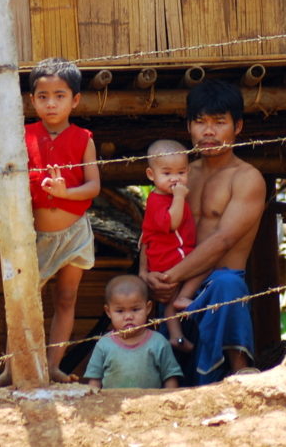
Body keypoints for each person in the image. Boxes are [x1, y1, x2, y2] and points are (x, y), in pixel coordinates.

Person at [0, 57, 101, 388]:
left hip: (75, 232)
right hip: (35, 237)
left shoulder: (83, 138)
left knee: (65, 299)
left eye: (60, 96)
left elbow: (94, 186)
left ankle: (53, 366)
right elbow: (6, 169)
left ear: (75, 100)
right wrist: (0, 147)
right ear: (31, 100)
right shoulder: (22, 135)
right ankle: (11, 368)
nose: (51, 103)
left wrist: (66, 191)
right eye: (43, 96)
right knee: (22, 300)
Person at [141, 78, 266, 385]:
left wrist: (171, 278)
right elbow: (150, 228)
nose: (208, 131)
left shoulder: (247, 178)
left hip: (212, 282)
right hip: (168, 280)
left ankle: (239, 369)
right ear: (189, 127)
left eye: (219, 122)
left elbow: (223, 240)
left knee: (227, 284)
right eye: (200, 122)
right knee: (129, 292)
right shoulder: (177, 174)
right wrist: (147, 275)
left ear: (238, 126)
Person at [139, 139, 206, 353]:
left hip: (171, 254)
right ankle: (186, 296)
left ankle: (176, 337)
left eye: (181, 173)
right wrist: (179, 197)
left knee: (169, 302)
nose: (175, 179)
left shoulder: (166, 196)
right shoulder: (157, 200)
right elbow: (172, 222)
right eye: (167, 174)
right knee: (204, 265)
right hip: (169, 256)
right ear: (151, 175)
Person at [84, 275, 183, 389]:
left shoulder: (159, 343)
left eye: (135, 309)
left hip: (149, 405)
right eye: (120, 311)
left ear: (148, 308)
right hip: (114, 405)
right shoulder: (104, 344)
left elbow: (170, 378)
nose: (128, 316)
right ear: (108, 312)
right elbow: (94, 382)